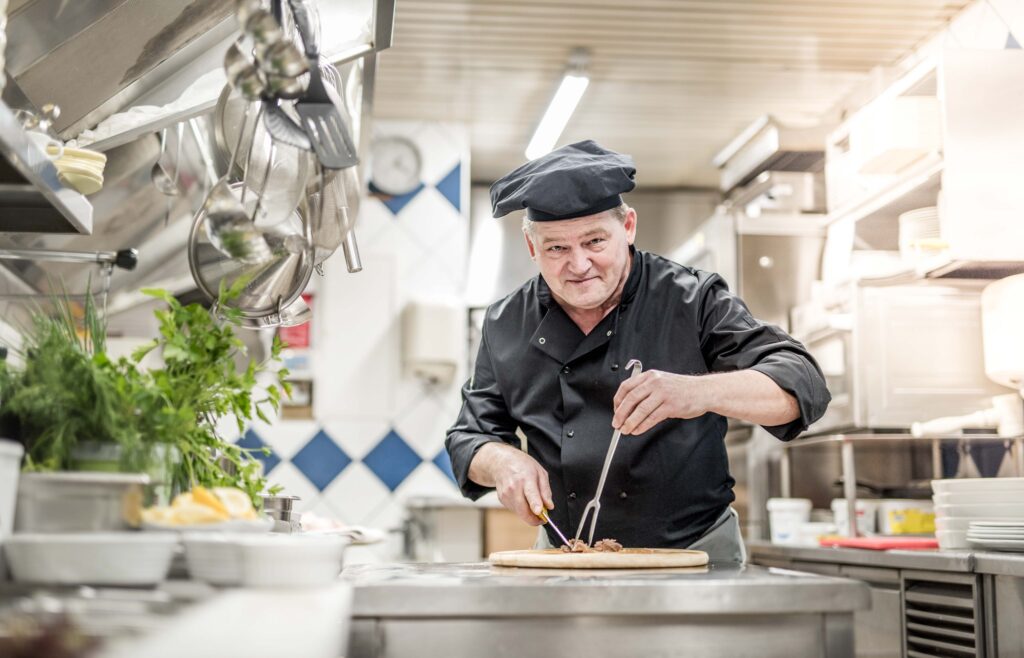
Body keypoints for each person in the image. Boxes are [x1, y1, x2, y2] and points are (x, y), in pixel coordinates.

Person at [445, 140, 830, 562]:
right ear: (532, 246)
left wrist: (697, 392)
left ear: (627, 226)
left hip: (695, 555)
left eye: (594, 241)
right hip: (566, 556)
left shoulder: (691, 298)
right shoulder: (506, 323)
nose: (578, 265)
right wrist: (500, 461)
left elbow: (800, 382)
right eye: (557, 247)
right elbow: (469, 437)